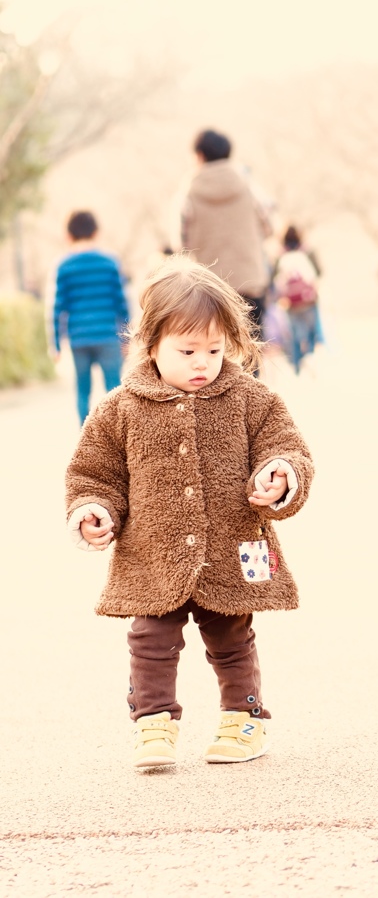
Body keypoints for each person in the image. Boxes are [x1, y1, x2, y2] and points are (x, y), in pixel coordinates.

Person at [65, 256, 314, 769]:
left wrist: (280, 474)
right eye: (187, 351)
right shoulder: (121, 407)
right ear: (150, 344)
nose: (203, 362)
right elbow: (93, 472)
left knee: (231, 636)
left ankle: (243, 719)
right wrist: (93, 508)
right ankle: (153, 724)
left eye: (215, 350)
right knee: (150, 639)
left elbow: (288, 448)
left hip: (231, 547)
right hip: (153, 554)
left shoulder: (251, 398)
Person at [181, 129, 273, 340]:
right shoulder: (248, 185)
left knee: (214, 353)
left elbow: (182, 241)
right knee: (250, 355)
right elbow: (269, 227)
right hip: (250, 283)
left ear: (200, 155)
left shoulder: (189, 191)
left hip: (210, 288)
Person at [51, 210, 131, 425]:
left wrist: (56, 344)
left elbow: (58, 308)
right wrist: (127, 338)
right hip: (107, 335)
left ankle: (85, 443)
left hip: (79, 338)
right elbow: (121, 304)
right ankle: (118, 437)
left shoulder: (64, 266)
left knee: (82, 391)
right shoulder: (109, 262)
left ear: (69, 235)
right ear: (96, 232)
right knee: (114, 390)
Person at [272, 225, 321, 375]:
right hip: (308, 301)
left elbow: (275, 279)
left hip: (290, 303)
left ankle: (297, 366)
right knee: (311, 331)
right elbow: (318, 272)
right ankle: (310, 357)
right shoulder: (307, 252)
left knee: (294, 333)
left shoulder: (280, 256)